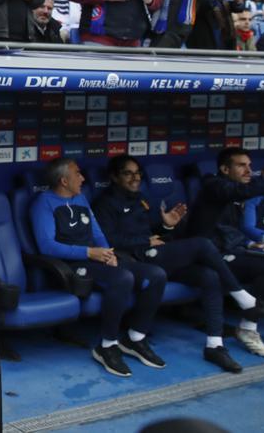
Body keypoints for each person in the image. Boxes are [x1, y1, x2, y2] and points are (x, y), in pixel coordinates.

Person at [93, 155, 264, 373]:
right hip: (135, 259)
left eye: (138, 173)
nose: (135, 177)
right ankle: (244, 299)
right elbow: (108, 239)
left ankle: (214, 345)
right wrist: (146, 240)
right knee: (202, 245)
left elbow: (150, 233)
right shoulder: (105, 202)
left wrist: (166, 226)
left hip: (155, 254)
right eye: (128, 173)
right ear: (114, 176)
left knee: (209, 276)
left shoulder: (140, 198)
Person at [31, 158, 167, 377]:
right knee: (122, 278)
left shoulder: (81, 198)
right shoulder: (43, 203)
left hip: (95, 258)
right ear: (64, 180)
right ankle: (107, 345)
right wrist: (88, 253)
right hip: (71, 266)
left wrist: (108, 253)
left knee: (156, 275)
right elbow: (47, 246)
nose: (83, 178)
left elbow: (97, 234)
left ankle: (136, 338)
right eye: (78, 174)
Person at [187, 148, 264, 355]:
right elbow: (221, 229)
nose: (248, 170)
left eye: (250, 166)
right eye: (242, 165)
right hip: (208, 256)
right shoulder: (214, 186)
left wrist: (253, 244)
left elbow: (234, 230)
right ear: (225, 169)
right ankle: (248, 328)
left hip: (233, 249)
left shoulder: (236, 189)